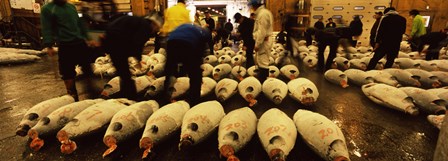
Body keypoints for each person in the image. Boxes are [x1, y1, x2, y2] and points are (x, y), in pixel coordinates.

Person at [41, 0, 95, 101]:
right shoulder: (47, 9)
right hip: (65, 45)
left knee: (87, 67)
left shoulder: (71, 7)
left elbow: (79, 24)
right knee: (67, 72)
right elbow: (47, 27)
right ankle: (72, 95)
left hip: (79, 42)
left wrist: (88, 37)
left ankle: (92, 91)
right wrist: (49, 45)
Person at [102, 14, 162, 100]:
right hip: (117, 42)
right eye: (157, 28)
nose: (156, 30)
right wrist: (138, 59)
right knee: (125, 73)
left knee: (123, 71)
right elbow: (138, 43)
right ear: (154, 24)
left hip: (112, 40)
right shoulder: (145, 27)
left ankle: (125, 92)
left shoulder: (140, 21)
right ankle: (131, 97)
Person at [163, 24, 212, 106]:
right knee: (195, 74)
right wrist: (196, 67)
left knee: (169, 70)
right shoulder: (204, 34)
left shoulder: (188, 26)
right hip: (187, 44)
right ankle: (194, 100)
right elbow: (199, 52)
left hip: (171, 43)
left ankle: (166, 96)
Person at [249, 0, 273, 83]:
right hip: (264, 40)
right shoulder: (262, 13)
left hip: (264, 41)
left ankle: (263, 83)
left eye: (251, 6)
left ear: (254, 5)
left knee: (263, 62)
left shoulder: (262, 14)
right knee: (261, 60)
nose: (251, 8)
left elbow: (261, 31)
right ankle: (262, 79)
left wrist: (257, 44)